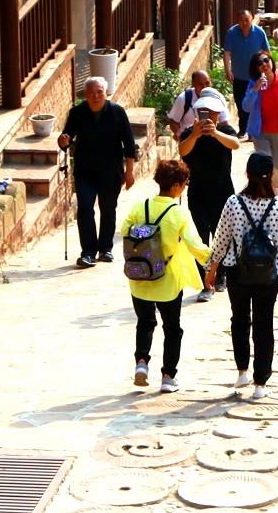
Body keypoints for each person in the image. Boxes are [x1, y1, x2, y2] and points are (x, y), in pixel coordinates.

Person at [206, 153, 278, 401]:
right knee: (264, 324)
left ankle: (242, 371)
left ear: (247, 174)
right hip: (268, 274)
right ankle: (261, 382)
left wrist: (212, 268)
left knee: (239, 319)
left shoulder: (233, 203)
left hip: (238, 271)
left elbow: (222, 238)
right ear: (271, 176)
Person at [119, 159, 209, 392]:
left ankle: (141, 363)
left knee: (145, 322)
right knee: (172, 328)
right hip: (167, 280)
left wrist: (148, 233)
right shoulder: (179, 213)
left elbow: (125, 231)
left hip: (139, 276)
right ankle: (168, 376)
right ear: (178, 185)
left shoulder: (141, 207)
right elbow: (194, 244)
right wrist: (214, 261)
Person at [57, 77, 138, 269]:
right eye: (92, 92)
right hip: (85, 170)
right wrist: (63, 141)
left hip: (111, 170)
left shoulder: (117, 112)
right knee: (85, 207)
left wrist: (130, 172)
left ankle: (105, 248)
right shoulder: (77, 113)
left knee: (108, 208)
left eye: (99, 92)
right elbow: (66, 137)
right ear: (86, 95)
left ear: (106, 92)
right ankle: (88, 252)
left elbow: (129, 143)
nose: (96, 96)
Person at [179, 92, 244, 300]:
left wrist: (215, 133)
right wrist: (196, 135)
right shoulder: (189, 133)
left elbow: (235, 144)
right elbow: (183, 151)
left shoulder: (224, 130)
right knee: (200, 236)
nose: (208, 117)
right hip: (198, 191)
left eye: (212, 113)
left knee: (221, 235)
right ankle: (205, 279)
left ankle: (221, 275)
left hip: (222, 190)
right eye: (203, 112)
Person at [240, 50, 278, 190]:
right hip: (260, 132)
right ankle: (266, 194)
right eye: (259, 63)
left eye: (266, 60)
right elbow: (246, 107)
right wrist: (256, 89)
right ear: (256, 68)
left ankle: (273, 189)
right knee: (264, 164)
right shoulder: (254, 83)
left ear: (271, 61)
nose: (264, 64)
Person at [222, 8, 268, 120]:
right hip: (238, 76)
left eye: (247, 20)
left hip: (255, 76)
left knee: (256, 103)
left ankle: (253, 129)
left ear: (252, 19)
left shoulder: (259, 32)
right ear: (237, 21)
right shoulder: (231, 33)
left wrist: (265, 69)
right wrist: (228, 70)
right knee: (240, 103)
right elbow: (227, 53)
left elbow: (266, 52)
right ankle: (243, 129)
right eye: (241, 20)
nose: (244, 23)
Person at [165, 69, 215, 138]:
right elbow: (173, 122)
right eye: (200, 84)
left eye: (207, 83)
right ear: (193, 85)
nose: (204, 88)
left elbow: (224, 123)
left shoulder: (217, 98)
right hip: (190, 141)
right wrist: (180, 136)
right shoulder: (184, 99)